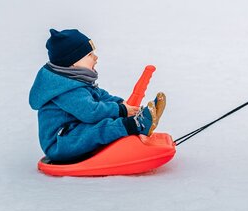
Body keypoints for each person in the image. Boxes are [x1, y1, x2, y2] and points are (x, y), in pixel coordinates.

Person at [29, 28, 166, 163]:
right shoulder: (65, 90)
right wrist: (121, 111)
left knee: (97, 125)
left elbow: (101, 96)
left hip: (74, 131)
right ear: (73, 62)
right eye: (89, 55)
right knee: (100, 128)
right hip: (62, 143)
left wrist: (123, 105)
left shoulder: (74, 81)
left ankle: (141, 117)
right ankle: (135, 124)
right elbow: (90, 112)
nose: (96, 57)